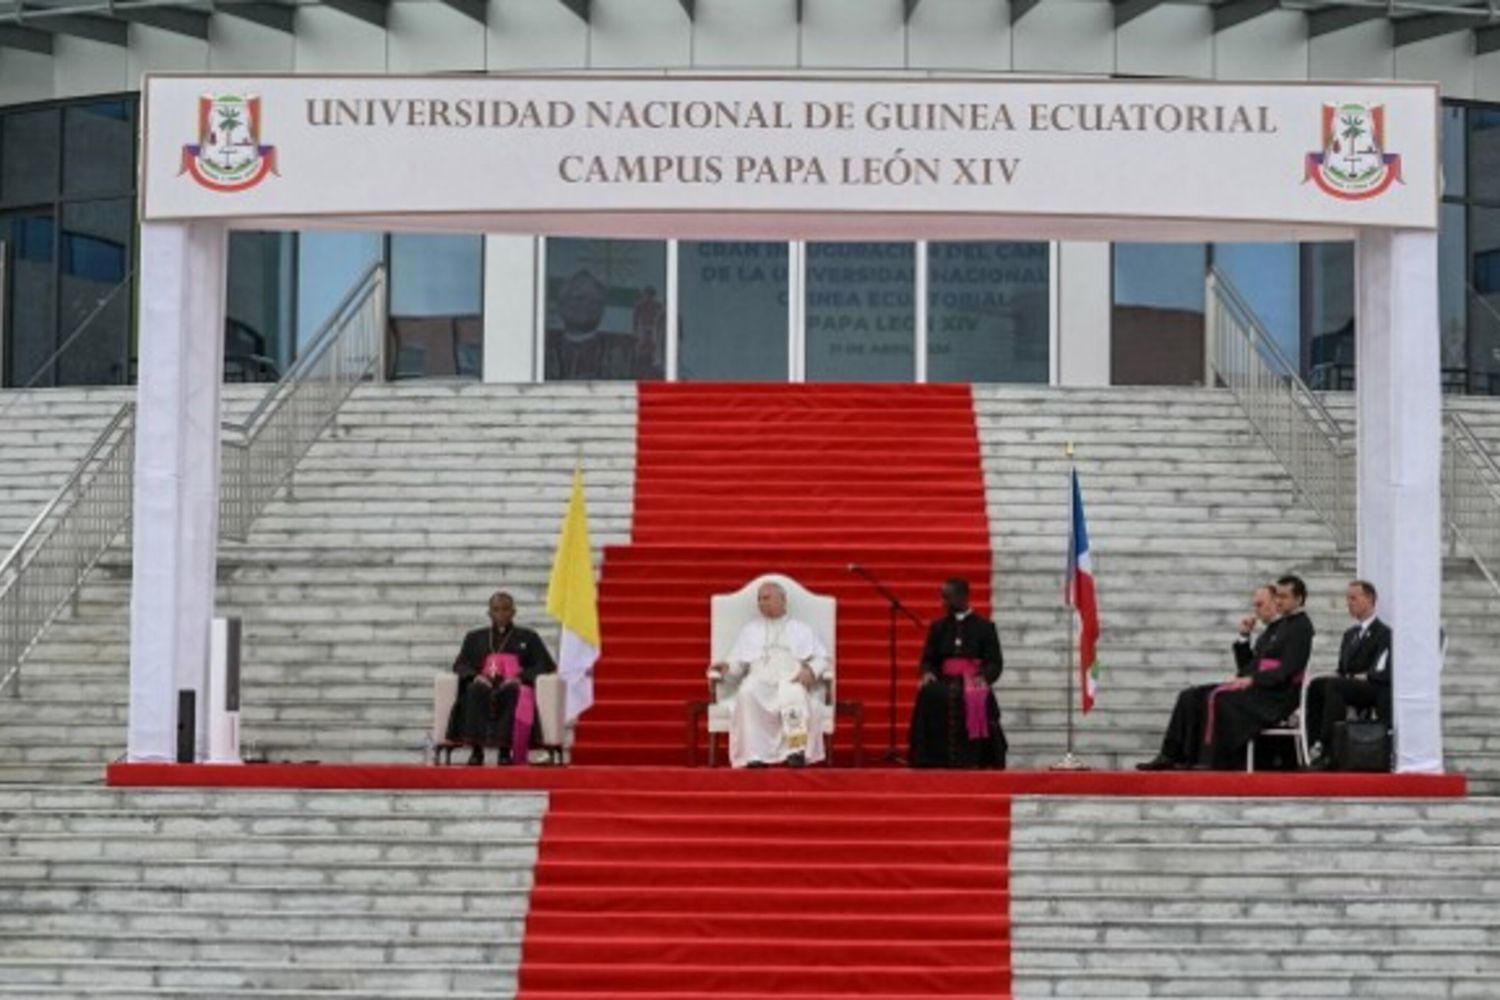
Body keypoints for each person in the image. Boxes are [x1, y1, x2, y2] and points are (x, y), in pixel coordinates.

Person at [1137, 583, 1279, 771]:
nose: (1256, 610)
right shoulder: (1267, 634)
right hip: (1250, 685)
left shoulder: (1286, 631)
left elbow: (1280, 670)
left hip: (1265, 694)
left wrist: (1253, 679)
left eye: (1260, 604)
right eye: (1255, 605)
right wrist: (1244, 637)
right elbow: (1246, 668)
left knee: (1214, 698)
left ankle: (1204, 758)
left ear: (1276, 603)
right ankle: (1171, 754)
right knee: (1188, 696)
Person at [709, 581, 832, 768]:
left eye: (766, 598)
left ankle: (796, 750)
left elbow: (823, 658)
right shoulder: (750, 630)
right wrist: (726, 667)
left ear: (782, 599)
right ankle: (754, 754)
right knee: (747, 692)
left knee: (795, 694)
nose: (761, 603)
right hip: (760, 679)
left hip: (790, 678)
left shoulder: (801, 628)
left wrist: (810, 671)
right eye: (759, 599)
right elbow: (738, 663)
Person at [1203, 575, 1316, 770]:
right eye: (1277, 596)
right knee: (1204, 696)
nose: (1279, 601)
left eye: (1284, 597)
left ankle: (1227, 762)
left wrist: (1253, 680)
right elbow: (1250, 667)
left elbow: (1288, 668)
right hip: (1265, 688)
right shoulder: (1281, 626)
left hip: (1278, 695)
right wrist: (1244, 639)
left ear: (1298, 599)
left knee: (1224, 701)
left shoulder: (1301, 626)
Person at [448, 591, 557, 766]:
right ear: (489, 613)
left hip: (512, 685)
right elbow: (460, 665)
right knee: (474, 690)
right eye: (496, 609)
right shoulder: (474, 637)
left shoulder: (528, 637)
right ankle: (476, 751)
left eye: (506, 609)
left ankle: (505, 751)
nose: (501, 614)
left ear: (513, 612)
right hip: (483, 684)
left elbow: (545, 664)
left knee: (512, 692)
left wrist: (520, 678)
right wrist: (475, 677)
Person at [908, 578, 1007, 769]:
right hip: (944, 680)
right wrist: (927, 672)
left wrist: (984, 677)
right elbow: (928, 659)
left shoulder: (985, 627)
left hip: (973, 679)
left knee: (974, 695)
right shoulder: (938, 627)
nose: (943, 602)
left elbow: (995, 662)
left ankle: (974, 759)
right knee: (929, 693)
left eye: (947, 597)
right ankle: (931, 758)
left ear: (963, 597)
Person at [1306, 580, 1392, 770]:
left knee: (1336, 686)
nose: (1349, 603)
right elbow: (1342, 668)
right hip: (1349, 683)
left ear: (1369, 599)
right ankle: (1315, 742)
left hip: (1372, 686)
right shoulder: (1349, 635)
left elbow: (1381, 667)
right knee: (1317, 685)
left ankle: (1328, 745)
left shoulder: (1384, 633)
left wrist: (1361, 676)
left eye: (1353, 598)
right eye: (1348, 598)